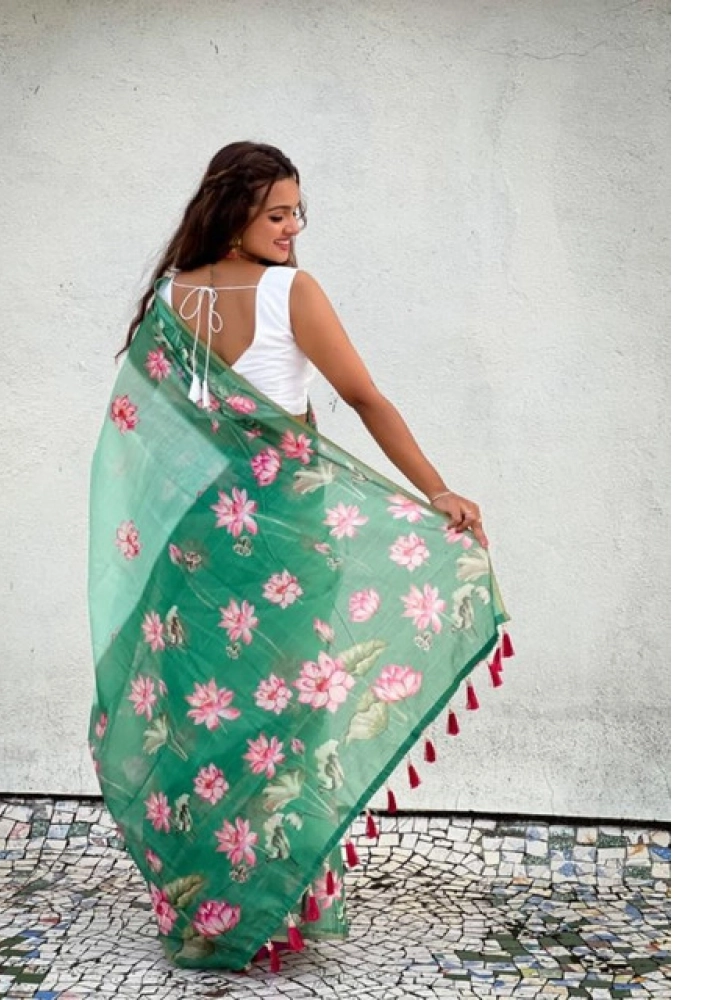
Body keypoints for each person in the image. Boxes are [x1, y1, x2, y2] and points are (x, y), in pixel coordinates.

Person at [87, 141, 511, 971]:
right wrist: (435, 490)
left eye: (296, 213)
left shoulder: (172, 298)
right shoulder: (290, 292)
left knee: (204, 723)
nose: (292, 229)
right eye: (277, 213)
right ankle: (271, 902)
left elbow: (147, 443)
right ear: (234, 214)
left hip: (196, 552)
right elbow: (363, 398)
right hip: (285, 546)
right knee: (286, 718)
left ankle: (211, 911)